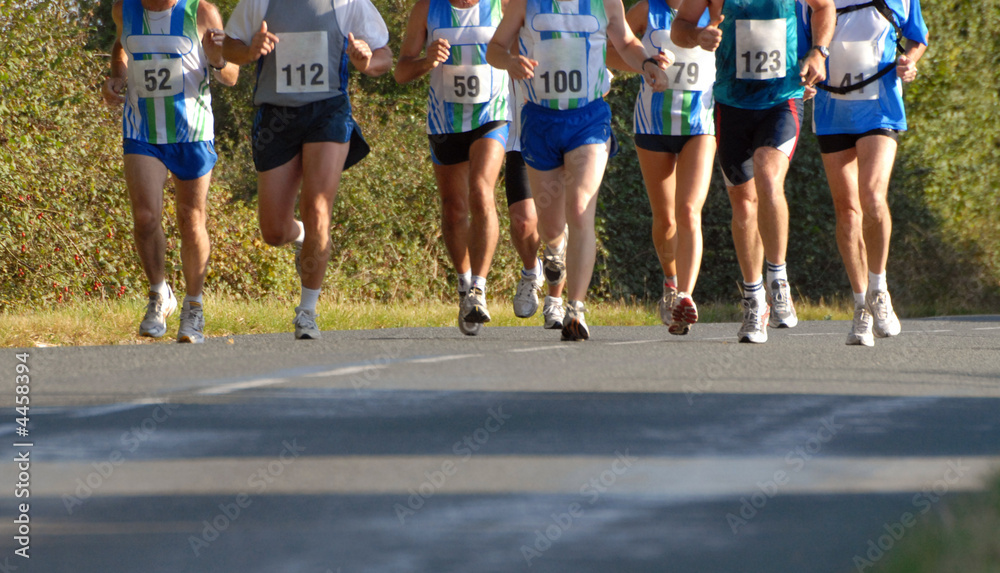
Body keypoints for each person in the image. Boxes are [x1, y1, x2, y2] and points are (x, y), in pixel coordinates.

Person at [487, 0, 671, 341]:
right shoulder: (525, 3)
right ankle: (554, 252)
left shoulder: (605, 2)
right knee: (551, 226)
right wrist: (510, 62)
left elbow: (627, 42)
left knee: (580, 207)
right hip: (540, 120)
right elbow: (494, 49)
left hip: (588, 118)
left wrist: (646, 62)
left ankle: (575, 308)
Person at [222, 0, 392, 339]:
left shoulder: (348, 3)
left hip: (327, 111)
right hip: (276, 116)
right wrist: (250, 51)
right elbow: (229, 46)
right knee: (272, 232)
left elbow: (385, 56)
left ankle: (307, 311)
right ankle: (301, 236)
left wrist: (367, 61)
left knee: (317, 208)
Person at [672, 0, 835, 343]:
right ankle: (754, 299)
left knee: (767, 171)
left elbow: (825, 7)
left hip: (782, 99)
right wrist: (698, 36)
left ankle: (778, 280)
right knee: (743, 204)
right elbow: (680, 28)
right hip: (732, 106)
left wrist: (819, 51)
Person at [102, 0, 239, 343]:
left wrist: (216, 58)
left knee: (190, 218)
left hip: (191, 133)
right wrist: (117, 76)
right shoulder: (124, 9)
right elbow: (121, 44)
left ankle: (194, 306)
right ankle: (159, 294)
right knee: (145, 218)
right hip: (142, 131)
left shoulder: (201, 12)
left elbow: (231, 75)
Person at [803, 0, 928, 346]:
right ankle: (860, 307)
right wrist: (805, 76)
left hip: (880, 109)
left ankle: (878, 288)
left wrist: (909, 63)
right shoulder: (811, 1)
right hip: (832, 112)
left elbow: (918, 37)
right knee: (847, 211)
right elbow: (800, 44)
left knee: (872, 197)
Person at [395, 0, 509, 336]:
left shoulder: (501, 4)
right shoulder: (427, 9)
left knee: (480, 189)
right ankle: (463, 285)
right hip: (445, 120)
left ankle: (479, 288)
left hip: (492, 114)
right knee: (454, 208)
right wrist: (426, 61)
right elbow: (401, 71)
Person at [607, 0, 717, 335]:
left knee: (687, 211)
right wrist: (646, 64)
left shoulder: (715, 10)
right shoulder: (645, 11)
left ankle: (685, 296)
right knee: (665, 216)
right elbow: (609, 52)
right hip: (652, 126)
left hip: (699, 125)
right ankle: (670, 284)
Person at [505, 77, 567, 330]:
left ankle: (555, 300)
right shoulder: (509, 40)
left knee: (556, 225)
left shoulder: (575, 38)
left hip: (565, 142)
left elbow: (601, 84)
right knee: (522, 222)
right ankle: (531, 272)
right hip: (521, 142)